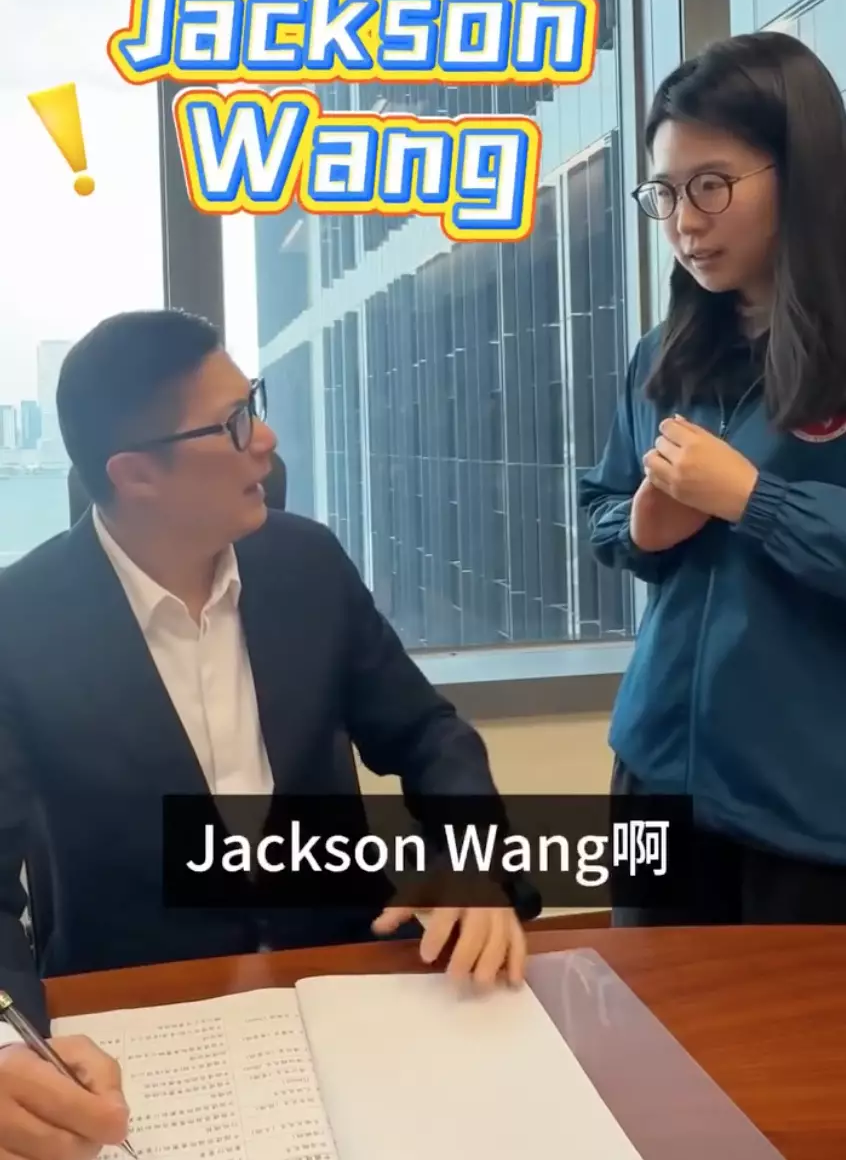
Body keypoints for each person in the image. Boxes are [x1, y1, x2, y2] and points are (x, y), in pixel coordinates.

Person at [0, 309, 538, 1160]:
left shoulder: (306, 564)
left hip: (345, 978)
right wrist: (8, 1049)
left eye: (252, 403)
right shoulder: (19, 623)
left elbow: (426, 732)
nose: (266, 440)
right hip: (137, 1014)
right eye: (233, 423)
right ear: (135, 475)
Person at [579, 30, 846, 927]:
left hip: (809, 810)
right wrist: (639, 530)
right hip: (654, 773)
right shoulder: (665, 353)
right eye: (665, 192)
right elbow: (601, 503)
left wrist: (755, 501)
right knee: (638, 1011)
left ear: (801, 173)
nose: (684, 222)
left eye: (711, 185)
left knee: (785, 1025)